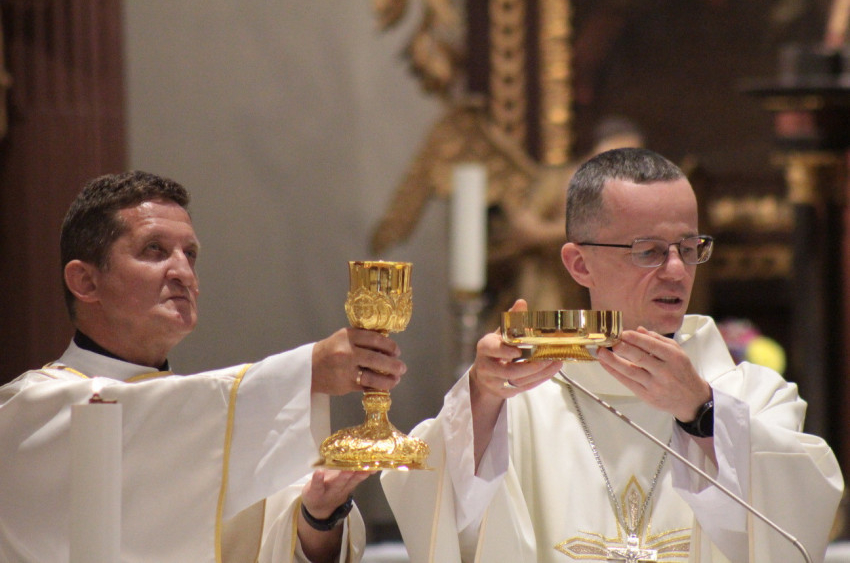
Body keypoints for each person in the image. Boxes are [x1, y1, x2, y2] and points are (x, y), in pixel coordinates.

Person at [382, 147, 844, 562]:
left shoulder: (750, 397)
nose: (677, 270)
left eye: (689, 248)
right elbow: (435, 507)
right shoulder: (518, 400)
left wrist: (701, 413)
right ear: (579, 264)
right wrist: (481, 398)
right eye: (649, 252)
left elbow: (797, 521)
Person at [0, 170, 406, 563]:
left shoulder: (214, 426)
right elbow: (132, 422)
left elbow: (285, 548)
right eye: (154, 250)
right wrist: (307, 369)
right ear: (86, 282)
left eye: (189, 254)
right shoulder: (28, 414)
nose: (184, 273)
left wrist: (319, 516)